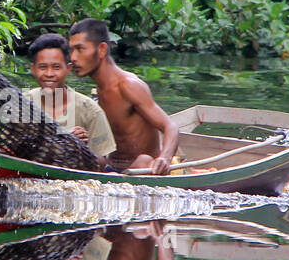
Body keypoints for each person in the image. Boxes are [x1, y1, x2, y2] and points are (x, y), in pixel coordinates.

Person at [67, 19, 180, 174]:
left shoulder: (128, 85)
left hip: (142, 170)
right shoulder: (98, 92)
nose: (73, 58)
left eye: (80, 49)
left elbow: (170, 127)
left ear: (101, 50)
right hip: (112, 168)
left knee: (144, 161)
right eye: (71, 50)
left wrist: (165, 158)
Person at [25, 33, 116, 164]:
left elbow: (101, 163)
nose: (49, 74)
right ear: (33, 70)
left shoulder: (90, 110)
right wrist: (61, 138)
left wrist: (78, 148)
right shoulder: (22, 104)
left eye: (56, 67)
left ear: (68, 69)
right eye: (43, 67)